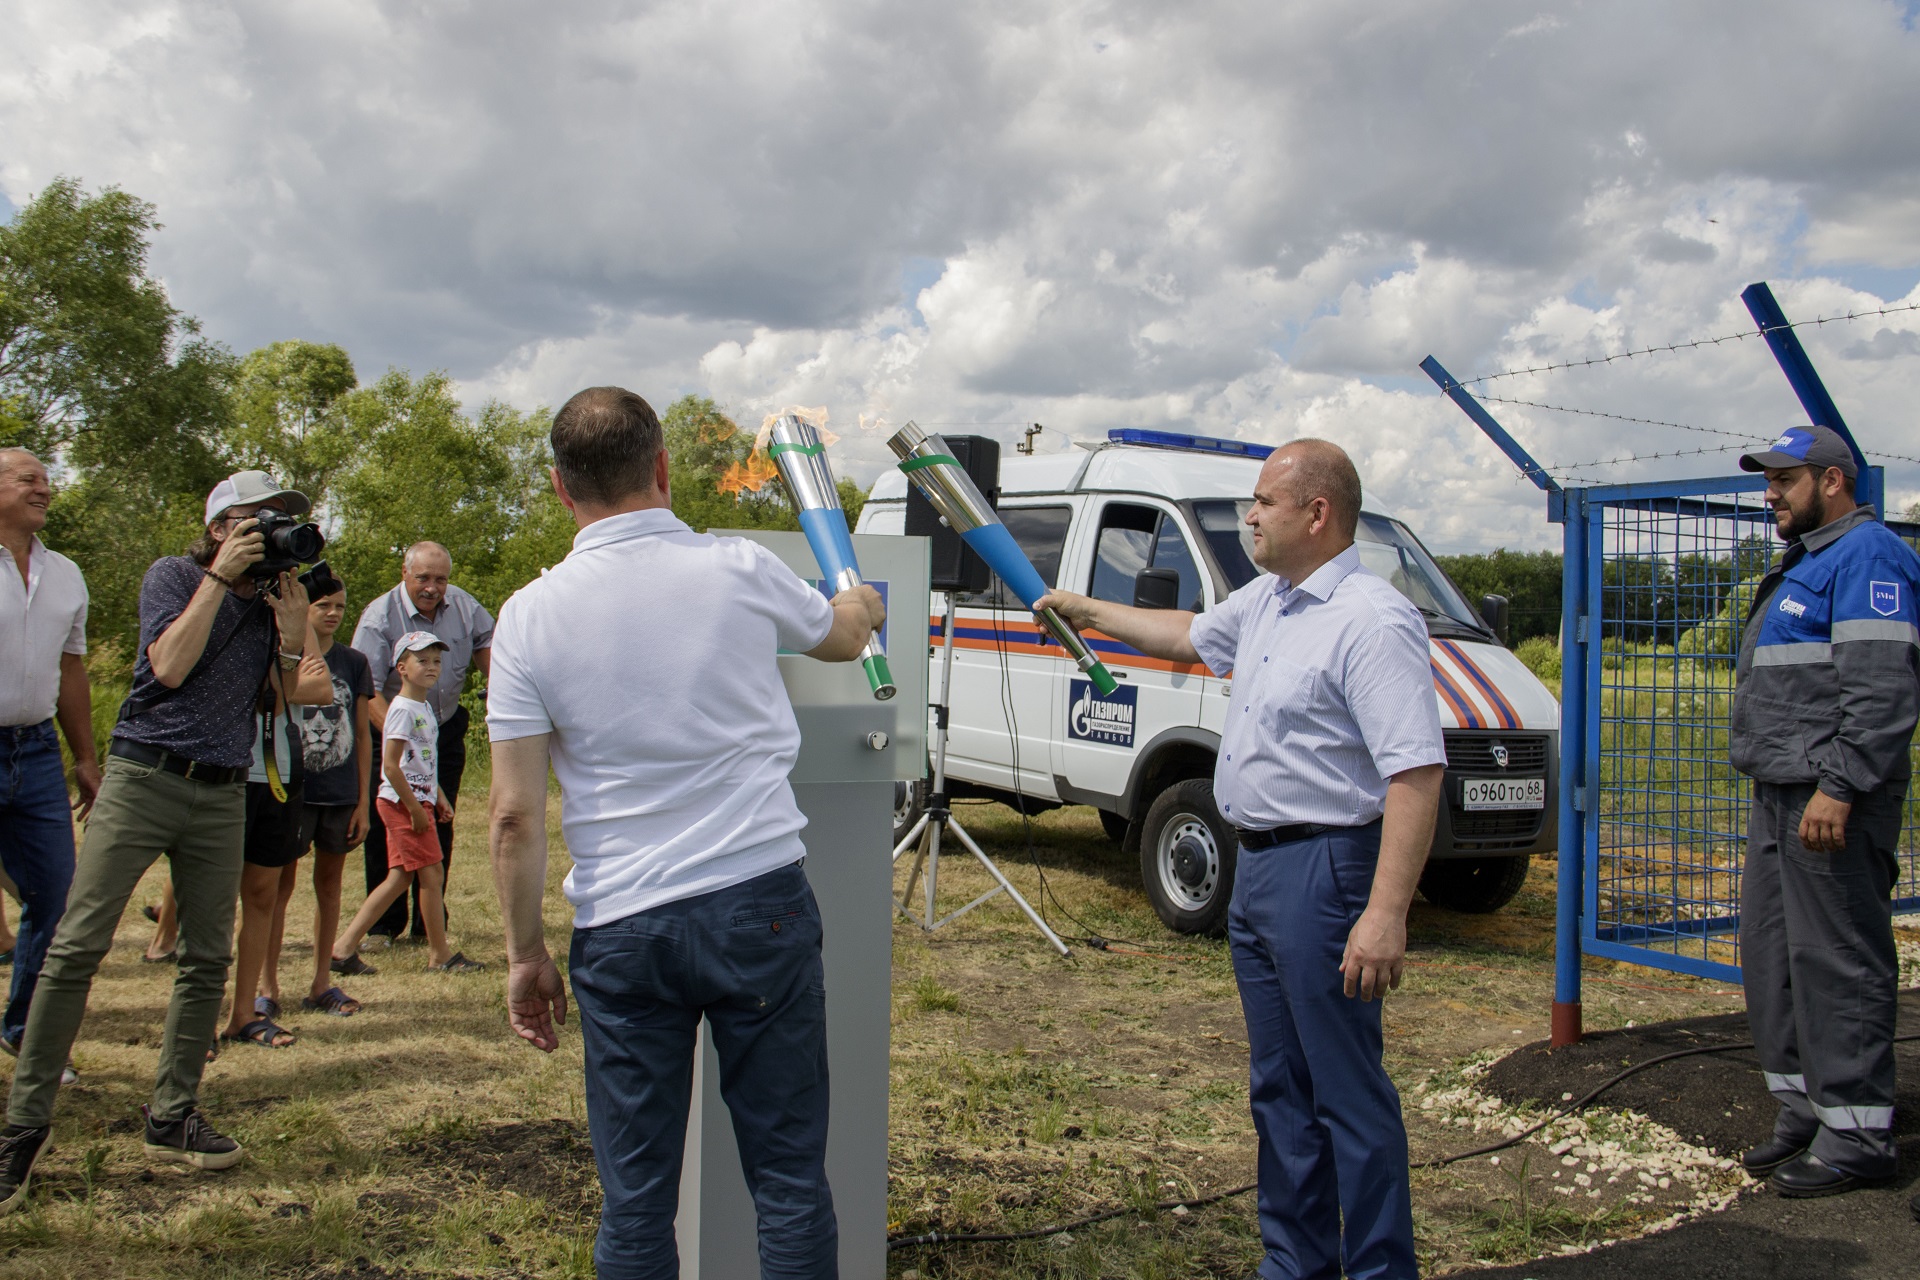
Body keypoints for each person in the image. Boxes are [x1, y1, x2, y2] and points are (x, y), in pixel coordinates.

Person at [488, 386, 885, 1278]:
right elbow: (839, 634)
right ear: (663, 468)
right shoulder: (736, 567)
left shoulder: (526, 618)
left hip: (623, 925)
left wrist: (525, 955)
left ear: (561, 489)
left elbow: (512, 815)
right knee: (787, 1179)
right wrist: (863, 603)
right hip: (760, 905)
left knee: (635, 1201)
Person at [1036, 438, 1444, 1280]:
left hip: (1325, 872)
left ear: (1317, 513)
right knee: (1281, 1093)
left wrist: (1386, 912)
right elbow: (1187, 636)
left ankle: (1378, 1269)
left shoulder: (1369, 619)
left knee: (1346, 1095)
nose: (1249, 517)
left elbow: (1415, 771)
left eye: (1262, 503)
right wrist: (1090, 610)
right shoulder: (1270, 601)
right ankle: (1293, 1264)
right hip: (1256, 869)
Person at [0, 469, 330, 1214]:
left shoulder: (272, 602)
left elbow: (284, 697)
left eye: (283, 521)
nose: (276, 532)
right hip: (144, 774)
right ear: (219, 528)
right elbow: (170, 666)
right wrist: (219, 578)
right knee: (77, 946)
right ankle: (24, 1126)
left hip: (221, 789)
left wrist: (289, 633)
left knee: (207, 957)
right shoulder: (174, 575)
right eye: (260, 520)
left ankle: (172, 1113)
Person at [1728, 425, 1920, 1199]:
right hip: (1780, 794)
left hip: (1830, 799)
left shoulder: (1870, 558)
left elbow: (1882, 691)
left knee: (1838, 962)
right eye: (1768, 479)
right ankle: (1804, 1107)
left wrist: (1839, 787)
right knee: (1773, 956)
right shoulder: (1809, 562)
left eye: (1784, 478)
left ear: (1832, 481)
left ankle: (1859, 1133)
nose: (1770, 493)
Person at [0, 448, 101, 1073]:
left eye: (46, 480)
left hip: (35, 751)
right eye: (28, 479)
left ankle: (27, 1032)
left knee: (56, 894)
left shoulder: (65, 574)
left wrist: (85, 758)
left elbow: (71, 669)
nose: (44, 489)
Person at [350, 541, 492, 946]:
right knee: (389, 828)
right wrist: (402, 735)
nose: (433, 588)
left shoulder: (464, 606)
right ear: (405, 573)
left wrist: (498, 685)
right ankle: (383, 926)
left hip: (443, 729)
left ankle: (428, 926)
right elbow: (367, 689)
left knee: (438, 822)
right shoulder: (379, 617)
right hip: (393, 733)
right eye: (423, 578)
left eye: (441, 579)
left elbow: (488, 642)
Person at [331, 633, 484, 975]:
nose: (431, 668)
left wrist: (438, 797)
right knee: (432, 875)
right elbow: (390, 766)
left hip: (419, 800)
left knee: (400, 878)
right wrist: (415, 808)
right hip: (402, 803)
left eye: (436, 661)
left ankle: (342, 949)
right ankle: (440, 955)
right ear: (402, 668)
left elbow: (423, 763)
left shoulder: (424, 708)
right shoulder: (400, 710)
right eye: (422, 661)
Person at [266, 574, 375, 1018]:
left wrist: (364, 800)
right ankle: (266, 985)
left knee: (329, 886)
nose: (332, 614)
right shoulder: (285, 659)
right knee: (278, 888)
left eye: (340, 607)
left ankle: (321, 983)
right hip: (292, 787)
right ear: (303, 611)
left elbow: (364, 736)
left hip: (339, 790)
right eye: (323, 605)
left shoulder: (354, 662)